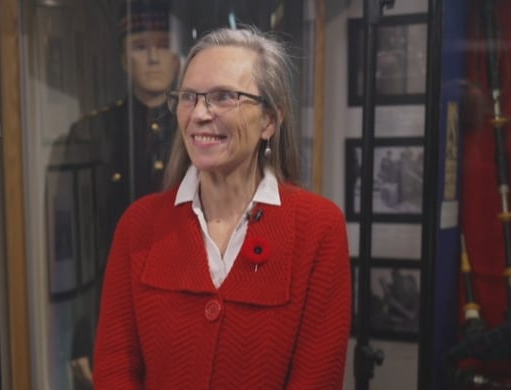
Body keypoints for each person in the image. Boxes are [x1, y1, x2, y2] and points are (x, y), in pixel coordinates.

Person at [93, 26, 351, 389]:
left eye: (224, 96)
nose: (199, 113)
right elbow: (115, 371)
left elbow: (317, 378)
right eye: (189, 97)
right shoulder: (139, 225)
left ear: (269, 120)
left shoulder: (318, 228)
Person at [57, 1, 180, 388]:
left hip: (183, 297)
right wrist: (81, 332)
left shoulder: (201, 132)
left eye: (163, 44)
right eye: (141, 46)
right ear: (124, 60)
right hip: (114, 297)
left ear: (179, 56)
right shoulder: (93, 133)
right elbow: (75, 244)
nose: (155, 57)